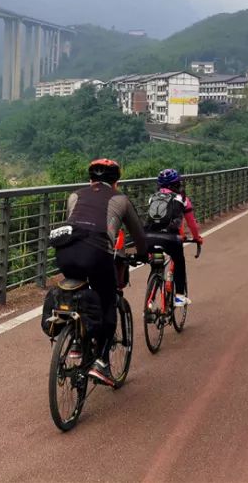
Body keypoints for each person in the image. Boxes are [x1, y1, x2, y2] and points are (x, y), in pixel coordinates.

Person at [54, 158, 147, 387]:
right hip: (97, 254)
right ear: (116, 182)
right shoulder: (121, 199)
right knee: (108, 301)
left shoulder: (74, 196)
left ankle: (77, 343)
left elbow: (74, 222)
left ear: (90, 180)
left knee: (78, 289)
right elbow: (138, 234)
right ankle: (102, 362)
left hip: (65, 253)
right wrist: (143, 254)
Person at [144, 168, 203, 307]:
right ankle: (179, 296)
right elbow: (192, 223)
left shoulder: (153, 197)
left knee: (156, 265)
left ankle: (149, 302)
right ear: (177, 184)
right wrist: (197, 238)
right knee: (179, 261)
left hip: (149, 237)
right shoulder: (182, 199)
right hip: (170, 238)